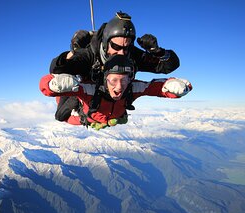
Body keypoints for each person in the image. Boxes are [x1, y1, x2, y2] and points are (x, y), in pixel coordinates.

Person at [50, 11, 181, 122]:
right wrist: (73, 52)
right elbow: (56, 69)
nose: (122, 53)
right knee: (61, 115)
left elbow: (168, 66)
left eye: (126, 47)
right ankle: (82, 112)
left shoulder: (131, 55)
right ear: (106, 41)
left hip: (115, 97)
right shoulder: (90, 54)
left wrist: (158, 52)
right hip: (89, 94)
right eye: (116, 47)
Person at [40, 55, 192, 130]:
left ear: (130, 79)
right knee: (61, 116)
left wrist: (175, 87)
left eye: (124, 80)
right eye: (113, 80)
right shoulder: (90, 89)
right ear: (105, 79)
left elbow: (155, 87)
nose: (119, 87)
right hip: (87, 117)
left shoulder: (132, 87)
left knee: (121, 118)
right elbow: (47, 88)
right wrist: (54, 84)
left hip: (113, 115)